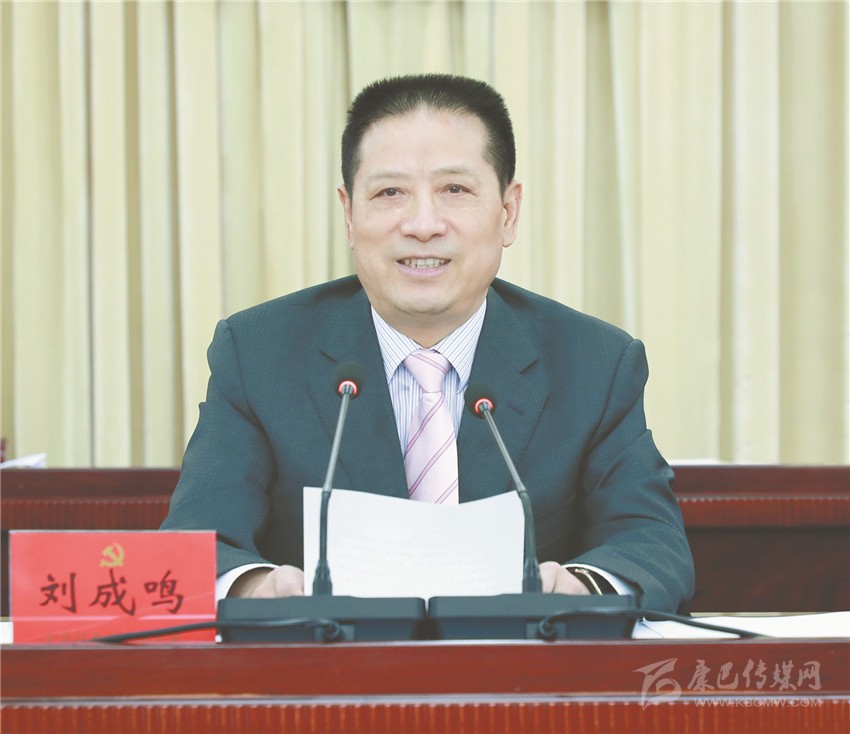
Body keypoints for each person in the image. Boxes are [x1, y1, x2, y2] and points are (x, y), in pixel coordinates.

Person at [161, 74, 694, 612]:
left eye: (454, 190)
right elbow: (196, 543)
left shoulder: (595, 362)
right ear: (349, 214)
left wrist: (582, 587)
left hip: (521, 661)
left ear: (508, 212)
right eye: (389, 193)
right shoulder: (258, 353)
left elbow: (652, 544)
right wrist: (257, 588)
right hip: (332, 660)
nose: (422, 224)